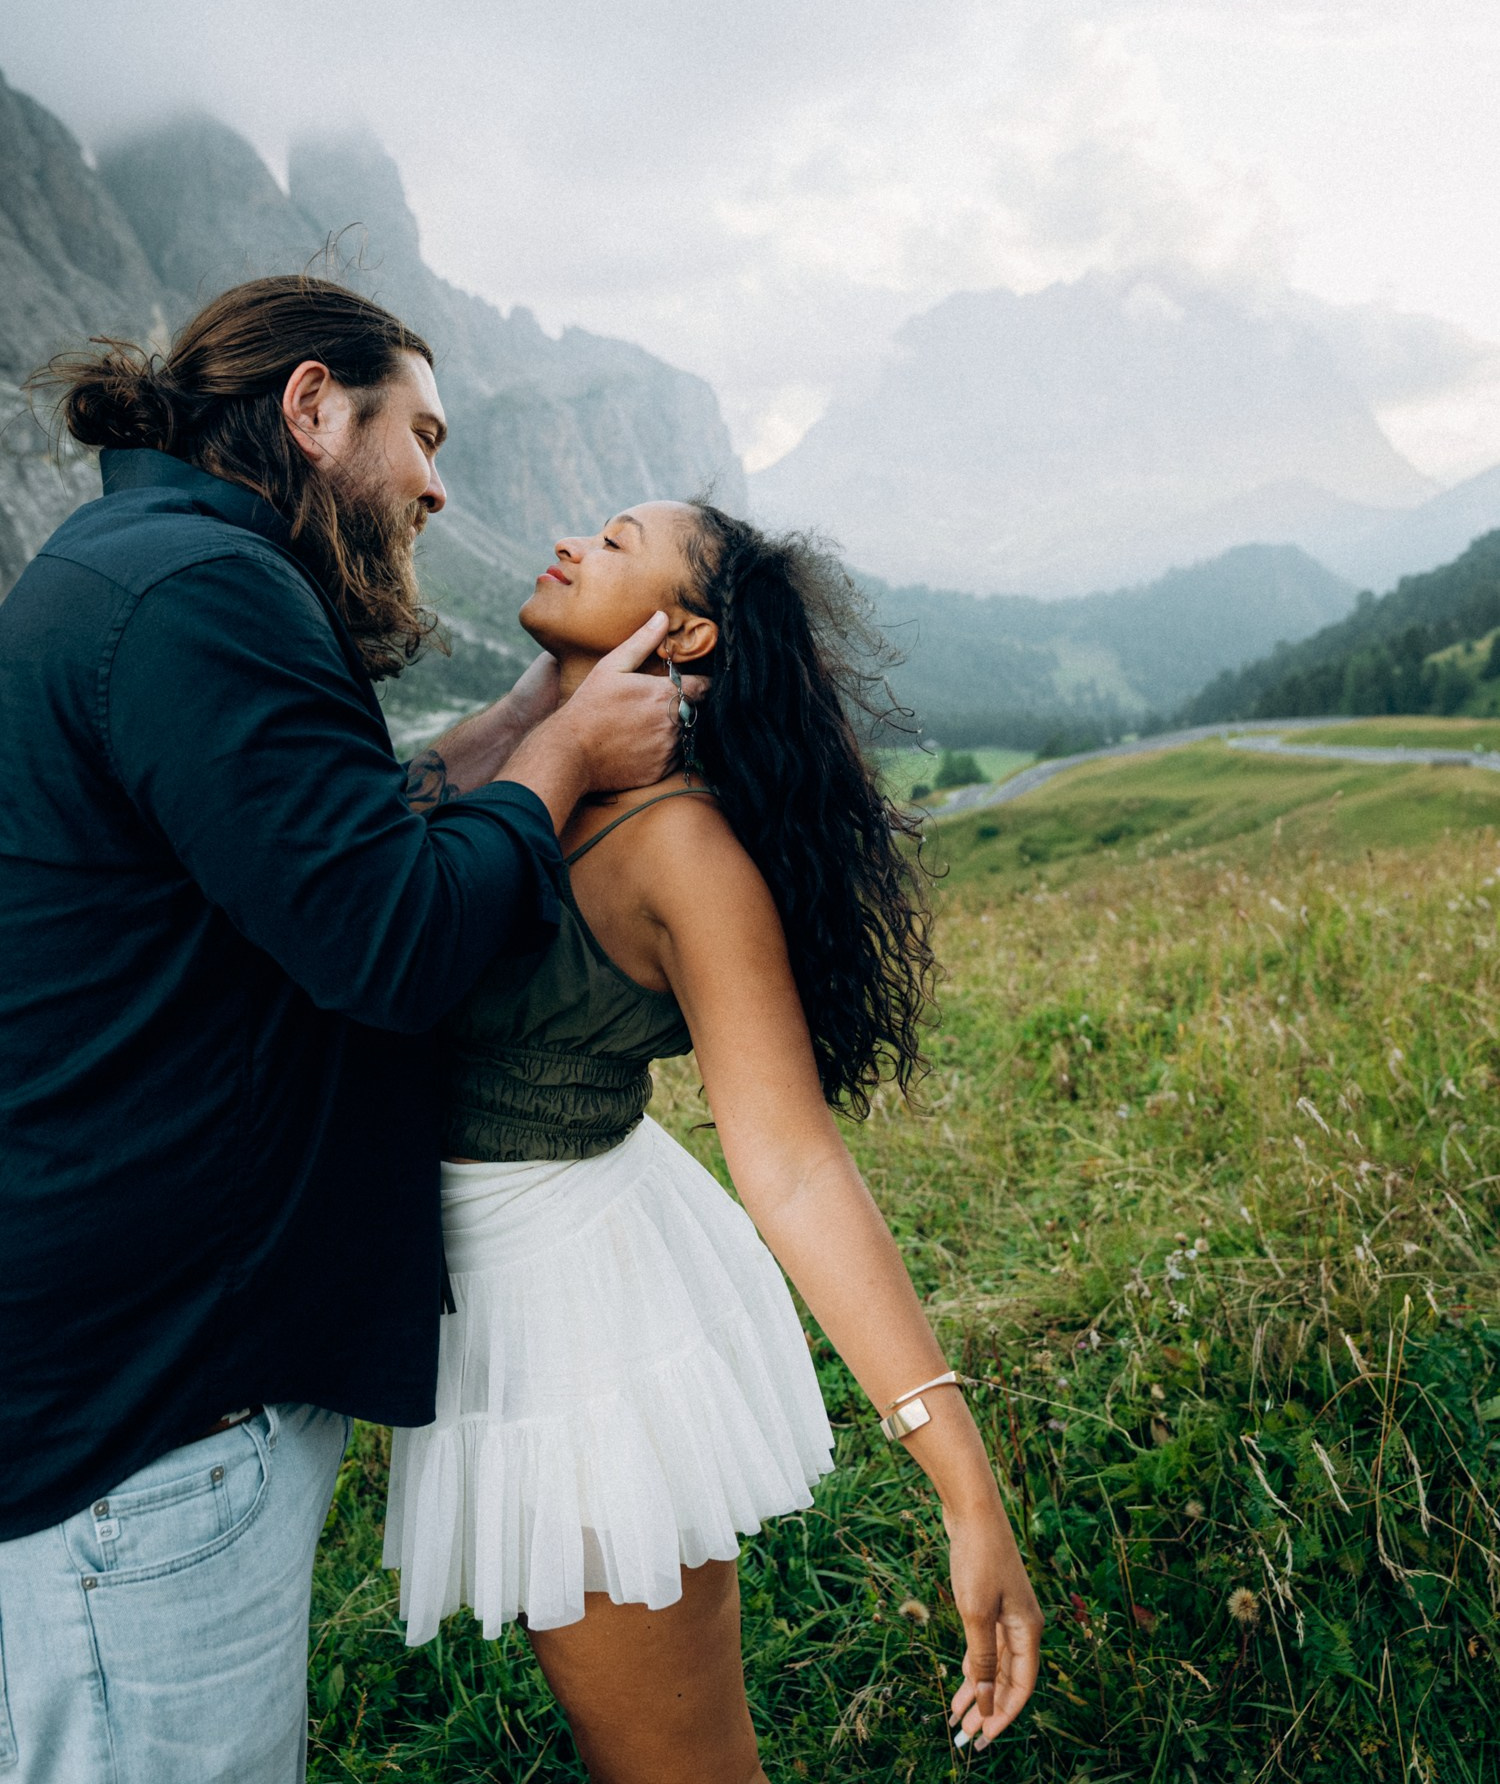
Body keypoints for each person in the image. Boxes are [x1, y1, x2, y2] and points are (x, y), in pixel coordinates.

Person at [0, 277, 691, 1784]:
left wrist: (513, 725)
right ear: (314, 409)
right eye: (420, 436)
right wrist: (568, 756)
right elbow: (389, 941)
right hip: (156, 1420)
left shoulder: (152, 566)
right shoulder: (205, 597)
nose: (441, 485)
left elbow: (313, 844)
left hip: (143, 1385)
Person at [384, 499, 1043, 1782]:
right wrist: (555, 696)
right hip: (490, 1305)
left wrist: (966, 1484)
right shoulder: (525, 766)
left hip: (580, 1331)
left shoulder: (681, 847)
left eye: (620, 540)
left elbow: (793, 1163)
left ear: (681, 627)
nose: (576, 539)